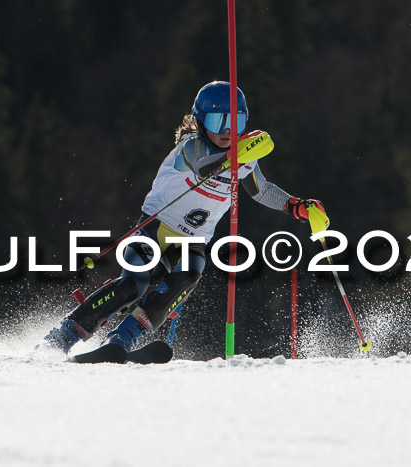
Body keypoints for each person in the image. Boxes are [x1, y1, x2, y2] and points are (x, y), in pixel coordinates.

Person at [44, 81, 326, 354]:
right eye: (219, 122)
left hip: (194, 241)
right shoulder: (191, 146)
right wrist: (238, 154)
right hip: (156, 230)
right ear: (202, 122)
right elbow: (206, 168)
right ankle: (64, 334)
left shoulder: (245, 158)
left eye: (237, 123)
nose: (228, 130)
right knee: (133, 284)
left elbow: (261, 190)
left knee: (187, 276)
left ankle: (121, 340)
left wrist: (297, 206)